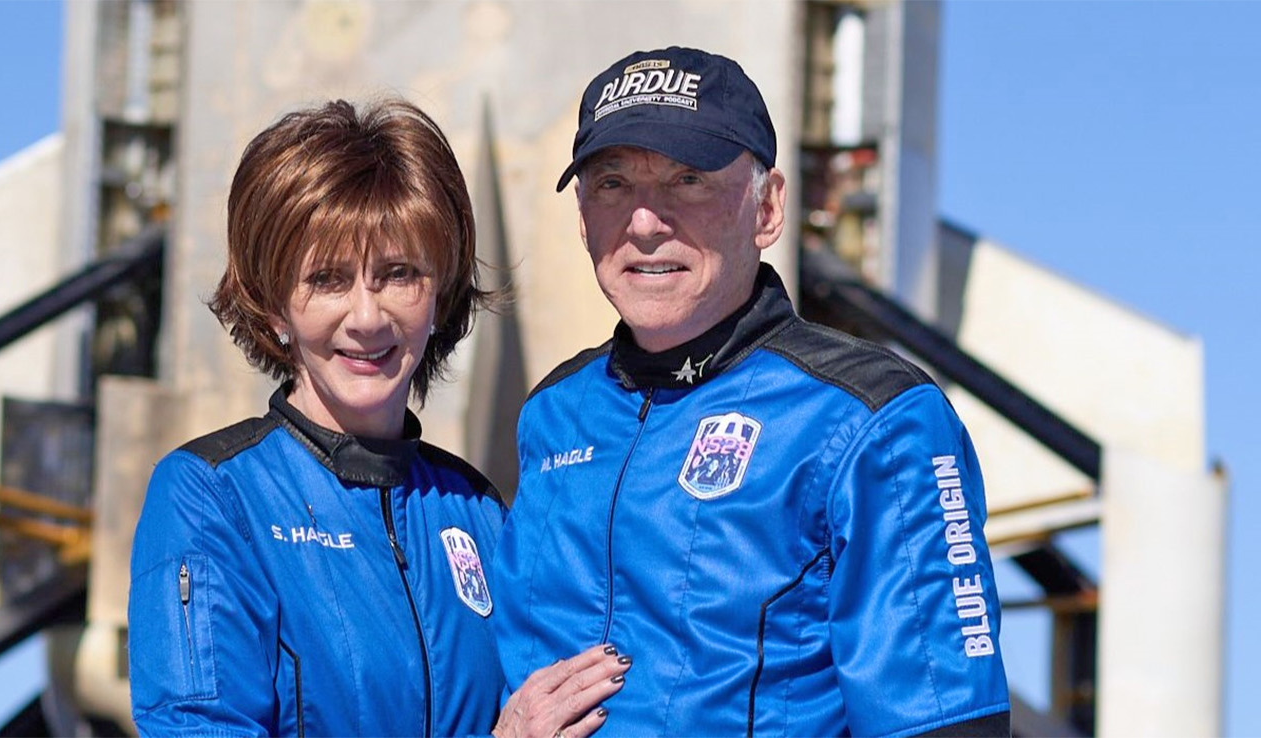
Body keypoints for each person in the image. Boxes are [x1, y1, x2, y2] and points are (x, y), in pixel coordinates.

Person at [492, 47, 1010, 737]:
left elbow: (946, 720)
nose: (645, 222)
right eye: (613, 183)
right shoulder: (554, 414)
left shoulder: (875, 418)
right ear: (584, 217)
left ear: (767, 208)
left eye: (688, 179)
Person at [128, 98, 629, 737]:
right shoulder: (213, 497)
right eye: (328, 279)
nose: (367, 318)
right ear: (274, 305)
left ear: (440, 296)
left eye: (398, 274)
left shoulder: (476, 510)